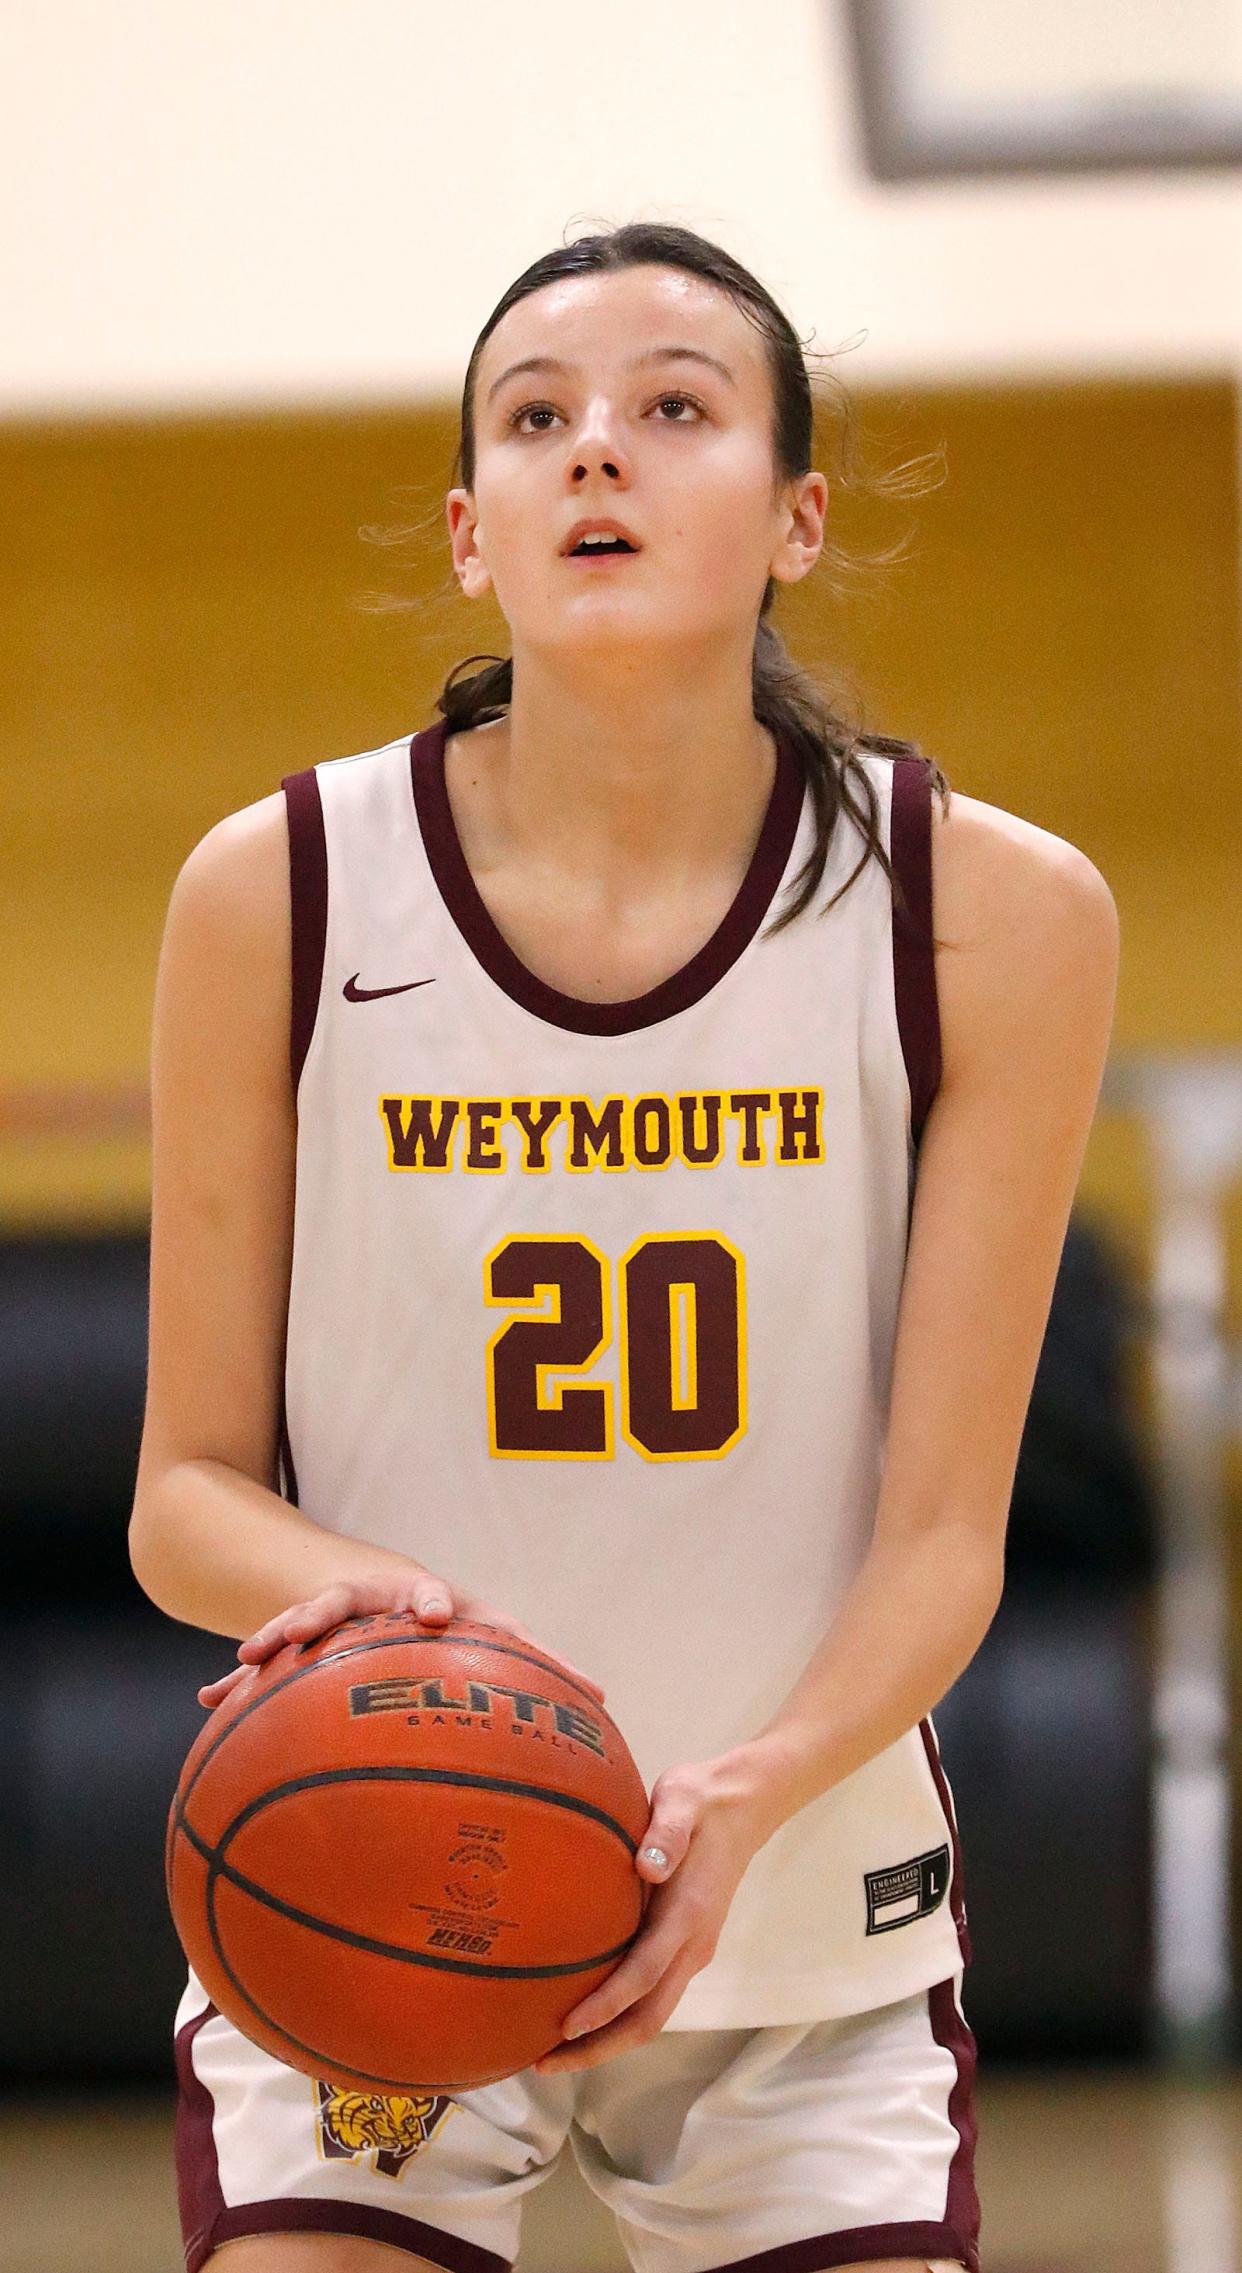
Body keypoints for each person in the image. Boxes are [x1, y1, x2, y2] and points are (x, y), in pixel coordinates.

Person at [129, 221, 1119, 2273]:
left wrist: (736, 1801)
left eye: (677, 408)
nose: (600, 452)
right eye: (537, 418)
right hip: (380, 1905)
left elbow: (945, 1537)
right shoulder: (282, 889)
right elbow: (183, 1498)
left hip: (798, 1910)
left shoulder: (991, 914)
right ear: (470, 530)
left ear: (799, 515)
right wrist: (387, 1606)